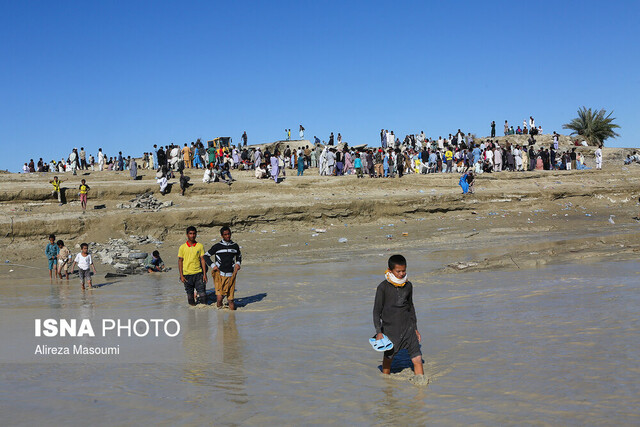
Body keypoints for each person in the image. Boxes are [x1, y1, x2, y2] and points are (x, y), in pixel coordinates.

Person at [373, 255, 423, 378]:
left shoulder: (408, 286)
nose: (401, 274)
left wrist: (415, 328)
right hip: (390, 330)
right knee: (388, 360)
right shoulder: (383, 287)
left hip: (408, 328)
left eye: (404, 271)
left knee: (417, 359)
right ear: (390, 270)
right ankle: (387, 386)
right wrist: (379, 332)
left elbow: (411, 308)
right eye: (398, 271)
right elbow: (376, 311)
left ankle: (421, 390)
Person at [204, 226, 242, 310]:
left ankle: (232, 319)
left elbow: (239, 256)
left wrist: (238, 263)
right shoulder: (217, 246)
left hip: (231, 275)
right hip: (219, 275)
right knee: (219, 298)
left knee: (231, 300)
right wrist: (213, 265)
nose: (228, 236)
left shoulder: (235, 246)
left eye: (229, 234)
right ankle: (220, 316)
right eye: (225, 235)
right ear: (222, 236)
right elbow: (206, 256)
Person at [178, 226, 208, 306]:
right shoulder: (182, 247)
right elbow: (180, 261)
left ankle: (204, 316)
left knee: (203, 296)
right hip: (187, 275)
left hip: (198, 274)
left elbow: (203, 260)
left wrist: (204, 274)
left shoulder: (200, 246)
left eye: (194, 233)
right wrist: (181, 275)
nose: (192, 235)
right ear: (187, 235)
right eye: (190, 234)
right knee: (190, 298)